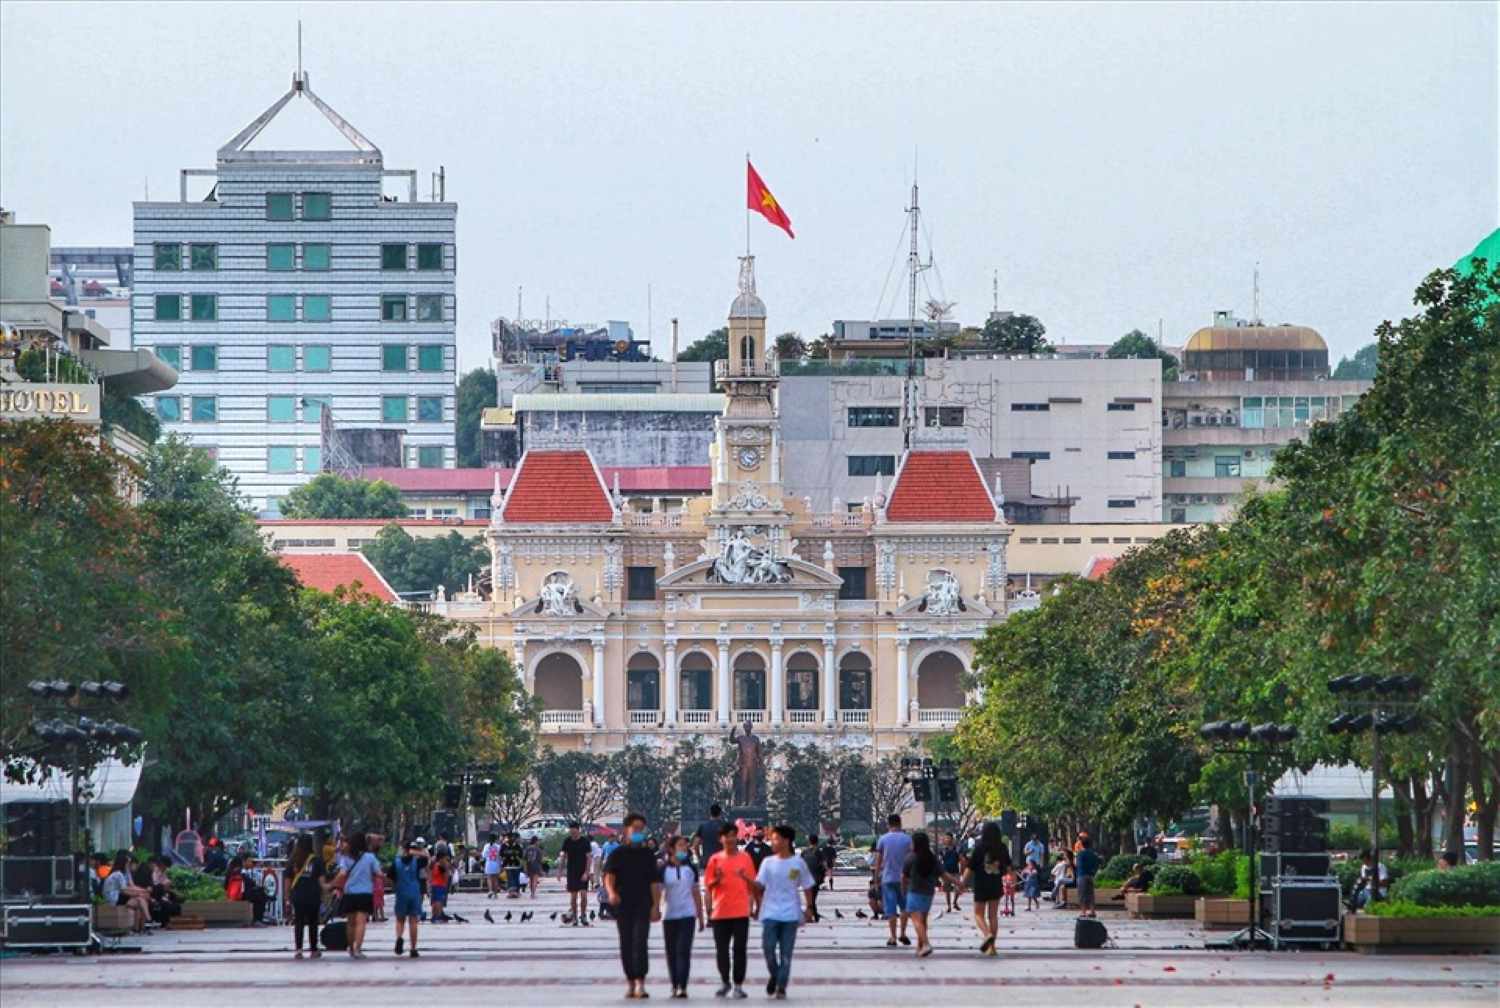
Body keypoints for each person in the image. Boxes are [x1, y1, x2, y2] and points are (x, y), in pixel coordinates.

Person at [603, 812, 663, 1000]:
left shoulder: (648, 855)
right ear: (626, 830)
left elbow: (655, 883)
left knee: (640, 942)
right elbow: (609, 877)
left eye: (641, 829)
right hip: (623, 905)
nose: (638, 832)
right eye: (635, 829)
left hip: (643, 904)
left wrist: (656, 906)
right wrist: (611, 893)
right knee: (626, 943)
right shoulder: (617, 854)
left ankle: (640, 984)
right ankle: (630, 982)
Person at [754, 825, 813, 1000]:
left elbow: (807, 886)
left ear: (786, 841)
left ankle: (781, 986)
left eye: (775, 839)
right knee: (768, 949)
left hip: (790, 915)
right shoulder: (768, 863)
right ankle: (775, 975)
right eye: (772, 839)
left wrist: (809, 908)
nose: (772, 842)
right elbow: (759, 885)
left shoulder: (798, 863)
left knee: (786, 954)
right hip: (770, 913)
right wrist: (745, 880)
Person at [704, 821, 757, 999]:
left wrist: (753, 905)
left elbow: (753, 884)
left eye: (733, 835)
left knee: (740, 950)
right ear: (721, 839)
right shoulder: (715, 859)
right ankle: (725, 982)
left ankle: (738, 985)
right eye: (727, 836)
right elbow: (708, 886)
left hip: (740, 912)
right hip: (720, 912)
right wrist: (716, 882)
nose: (730, 839)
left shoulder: (745, 858)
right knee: (722, 950)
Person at [660, 834, 706, 999]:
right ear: (672, 849)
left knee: (684, 950)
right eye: (680, 845)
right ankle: (674, 984)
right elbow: (657, 892)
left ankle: (683, 986)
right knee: (671, 952)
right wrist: (655, 909)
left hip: (687, 915)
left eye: (685, 846)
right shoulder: (663, 869)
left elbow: (696, 893)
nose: (684, 849)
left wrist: (700, 916)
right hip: (669, 916)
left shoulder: (690, 869)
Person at [902, 831, 960, 958]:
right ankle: (920, 947)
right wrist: (957, 882)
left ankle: (926, 943)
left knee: (916, 920)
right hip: (928, 893)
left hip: (914, 891)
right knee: (923, 921)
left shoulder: (910, 857)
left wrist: (903, 890)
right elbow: (944, 874)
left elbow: (903, 877)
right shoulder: (932, 858)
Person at [963, 821, 1009, 956]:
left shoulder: (979, 847)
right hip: (996, 884)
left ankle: (987, 934)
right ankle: (992, 947)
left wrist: (962, 884)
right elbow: (1008, 867)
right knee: (993, 916)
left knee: (978, 914)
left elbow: (970, 868)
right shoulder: (1002, 848)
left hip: (981, 884)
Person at [331, 831, 380, 958]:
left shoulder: (346, 858)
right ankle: (358, 949)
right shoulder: (370, 857)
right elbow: (378, 873)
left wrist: (331, 884)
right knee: (361, 923)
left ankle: (351, 948)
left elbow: (342, 874)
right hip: (365, 893)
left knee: (351, 923)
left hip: (350, 894)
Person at [873, 814, 913, 947]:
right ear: (900, 823)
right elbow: (912, 858)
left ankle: (893, 937)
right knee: (904, 908)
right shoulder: (908, 839)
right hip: (905, 879)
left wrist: (876, 879)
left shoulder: (883, 839)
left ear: (888, 824)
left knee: (890, 909)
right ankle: (903, 933)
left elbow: (878, 861)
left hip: (888, 878)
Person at [285, 836, 327, 959]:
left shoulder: (293, 860)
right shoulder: (317, 861)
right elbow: (322, 881)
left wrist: (287, 897)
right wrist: (325, 893)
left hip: (298, 895)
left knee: (299, 922)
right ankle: (313, 949)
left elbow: (288, 880)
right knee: (313, 922)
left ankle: (298, 950)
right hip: (313, 895)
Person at [390, 838, 428, 958]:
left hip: (401, 892)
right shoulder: (417, 862)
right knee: (413, 921)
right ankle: (413, 948)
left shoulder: (396, 862)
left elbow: (390, 877)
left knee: (400, 919)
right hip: (414, 892)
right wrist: (416, 851)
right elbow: (427, 857)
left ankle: (399, 937)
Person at [102, 851, 151, 933]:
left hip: (121, 896)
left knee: (141, 900)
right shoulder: (118, 874)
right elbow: (125, 890)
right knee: (140, 899)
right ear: (123, 864)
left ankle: (140, 927)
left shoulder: (126, 873)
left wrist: (143, 891)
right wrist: (141, 893)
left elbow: (132, 886)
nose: (129, 865)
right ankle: (148, 921)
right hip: (114, 899)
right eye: (128, 863)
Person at [559, 822, 594, 926]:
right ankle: (574, 917)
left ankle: (583, 915)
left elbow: (589, 857)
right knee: (573, 897)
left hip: (582, 871)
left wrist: (586, 872)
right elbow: (563, 856)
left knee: (583, 895)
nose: (573, 834)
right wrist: (560, 871)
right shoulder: (567, 841)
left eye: (574, 831)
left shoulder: (585, 841)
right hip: (571, 872)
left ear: (579, 830)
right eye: (571, 832)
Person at [799, 836, 825, 921]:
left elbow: (799, 865)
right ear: (817, 842)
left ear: (809, 841)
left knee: (810, 899)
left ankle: (812, 915)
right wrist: (822, 878)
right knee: (812, 898)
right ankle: (814, 915)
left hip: (806, 879)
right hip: (816, 878)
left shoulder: (804, 852)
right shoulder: (818, 852)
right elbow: (823, 865)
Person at [1075, 835, 1101, 919]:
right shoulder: (1093, 854)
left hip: (1082, 875)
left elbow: (1077, 865)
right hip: (1091, 876)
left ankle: (1083, 912)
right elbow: (1097, 864)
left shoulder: (1080, 854)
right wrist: (1094, 872)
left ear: (1082, 844)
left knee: (1082, 894)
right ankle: (1092, 911)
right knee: (1091, 894)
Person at [694, 805, 726, 869]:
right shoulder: (725, 826)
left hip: (707, 861)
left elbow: (695, 845)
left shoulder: (703, 826)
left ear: (710, 813)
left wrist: (700, 858)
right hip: (723, 861)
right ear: (720, 813)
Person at [939, 833, 963, 911]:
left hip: (955, 871)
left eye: (949, 838)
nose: (947, 839)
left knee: (958, 888)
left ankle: (955, 902)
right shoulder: (942, 850)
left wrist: (961, 869)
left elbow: (961, 859)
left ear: (952, 839)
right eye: (946, 838)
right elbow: (940, 860)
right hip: (946, 872)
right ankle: (948, 906)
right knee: (947, 889)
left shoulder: (957, 849)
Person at [429, 848, 452, 922]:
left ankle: (434, 916)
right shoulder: (443, 865)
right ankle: (438, 916)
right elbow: (446, 876)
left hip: (434, 884)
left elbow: (430, 872)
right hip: (440, 885)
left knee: (434, 901)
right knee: (439, 901)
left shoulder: (434, 864)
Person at [501, 831, 524, 898]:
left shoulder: (517, 845)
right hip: (509, 865)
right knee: (511, 879)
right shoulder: (505, 845)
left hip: (515, 865)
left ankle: (515, 892)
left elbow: (521, 855)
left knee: (514, 879)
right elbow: (501, 854)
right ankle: (512, 892)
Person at [481, 832, 502, 898]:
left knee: (489, 878)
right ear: (496, 839)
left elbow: (484, 855)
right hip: (496, 863)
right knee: (495, 879)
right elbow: (500, 856)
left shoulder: (486, 846)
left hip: (489, 863)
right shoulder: (498, 846)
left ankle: (490, 891)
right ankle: (495, 893)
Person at [524, 835, 545, 899]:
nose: (538, 842)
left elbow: (524, 858)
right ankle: (533, 894)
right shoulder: (538, 849)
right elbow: (540, 860)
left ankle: (531, 893)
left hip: (529, 865)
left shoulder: (527, 848)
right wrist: (541, 869)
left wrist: (525, 867)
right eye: (538, 841)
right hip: (536, 866)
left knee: (531, 880)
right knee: (535, 880)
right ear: (535, 841)